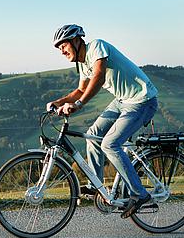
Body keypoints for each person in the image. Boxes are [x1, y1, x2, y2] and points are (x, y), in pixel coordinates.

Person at [46, 24, 158, 218]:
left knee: (110, 144)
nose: (62, 51)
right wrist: (58, 102)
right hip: (122, 101)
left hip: (142, 100)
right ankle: (96, 184)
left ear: (76, 41)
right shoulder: (82, 64)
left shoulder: (97, 46)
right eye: (59, 48)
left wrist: (78, 105)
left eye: (63, 45)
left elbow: (98, 77)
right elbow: (80, 90)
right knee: (92, 135)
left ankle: (140, 194)